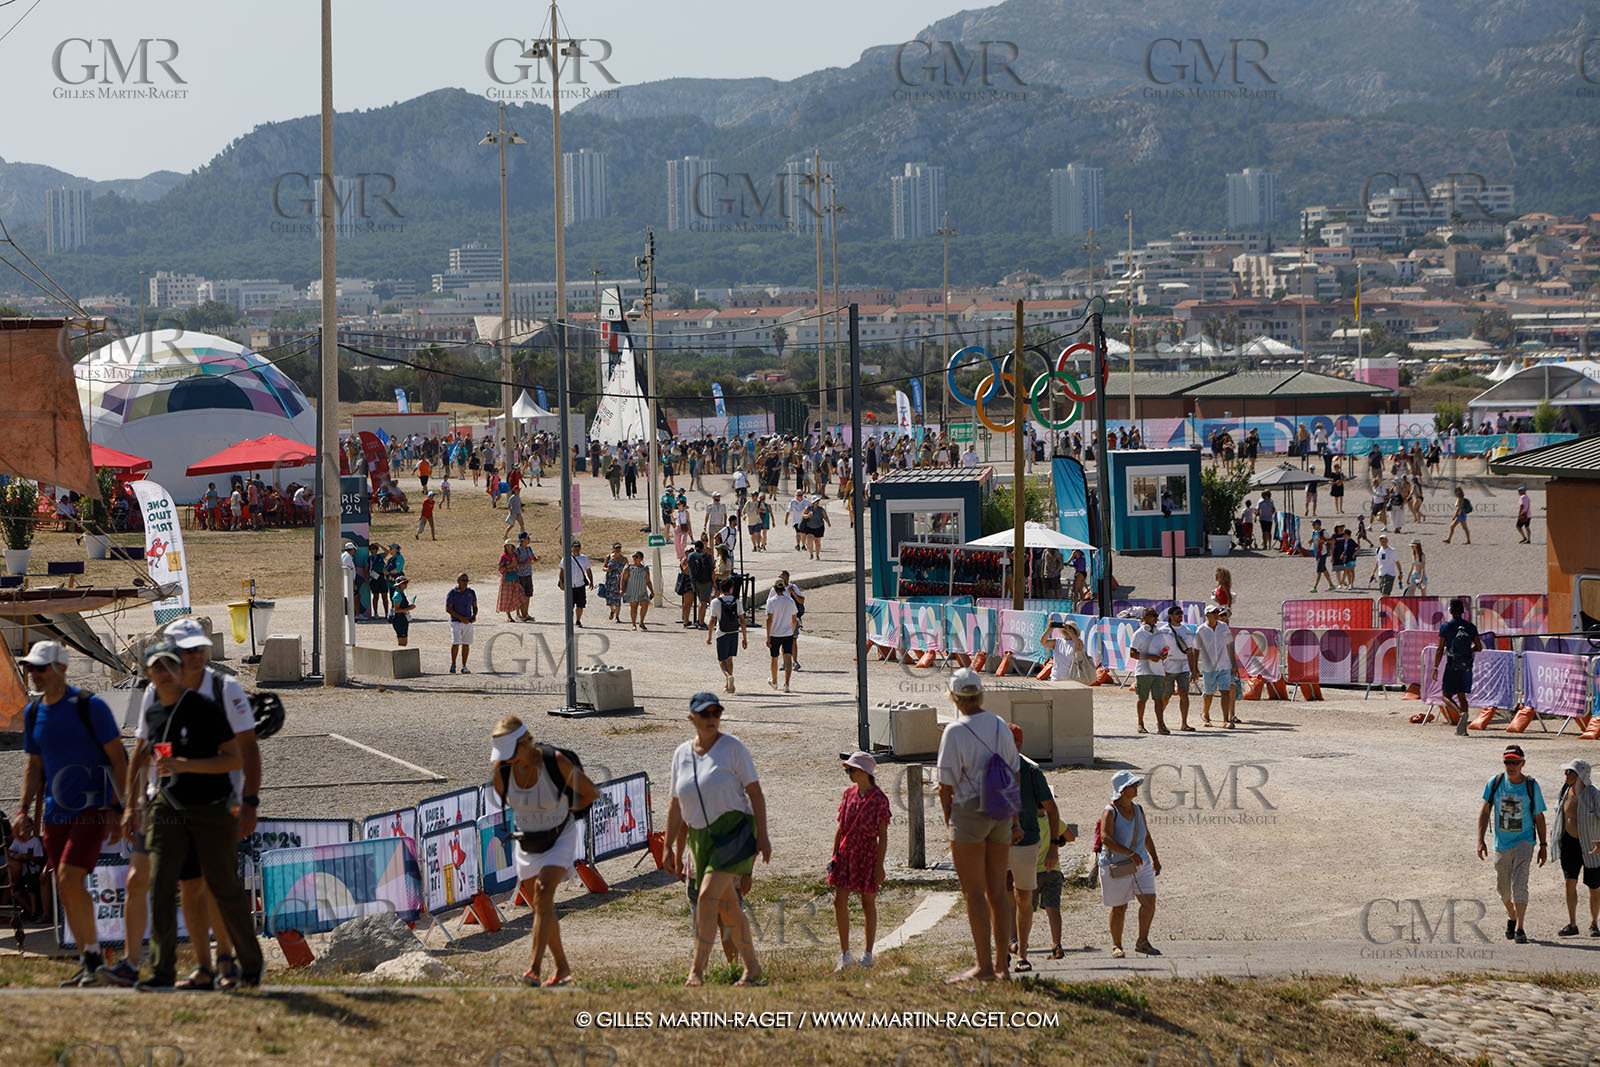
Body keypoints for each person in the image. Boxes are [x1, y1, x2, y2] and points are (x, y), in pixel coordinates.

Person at [131, 639, 261, 990]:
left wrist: (187, 766)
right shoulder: (153, 707)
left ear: (181, 670)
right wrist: (133, 802)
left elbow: (234, 758)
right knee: (161, 884)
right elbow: (142, 753)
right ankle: (162, 971)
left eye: (171, 665)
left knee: (224, 887)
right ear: (147, 674)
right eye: (157, 667)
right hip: (167, 806)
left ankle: (249, 965)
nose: (165, 673)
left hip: (211, 807)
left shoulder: (204, 706)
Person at [12, 641, 129, 987]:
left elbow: (118, 759)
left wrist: (118, 809)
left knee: (66, 878)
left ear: (61, 668)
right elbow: (33, 766)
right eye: (30, 667)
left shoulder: (89, 706)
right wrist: (23, 811)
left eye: (41, 667)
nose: (33, 674)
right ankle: (91, 962)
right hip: (54, 813)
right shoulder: (33, 713)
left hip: (92, 809)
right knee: (66, 885)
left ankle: (93, 960)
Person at [663, 692, 769, 987]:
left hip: (735, 830)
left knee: (707, 896)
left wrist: (763, 838)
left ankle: (696, 972)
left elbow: (756, 794)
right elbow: (675, 804)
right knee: (727, 905)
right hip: (700, 836)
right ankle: (752, 967)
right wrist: (667, 847)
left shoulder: (734, 749)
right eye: (705, 714)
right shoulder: (681, 754)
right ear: (692, 718)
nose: (711, 719)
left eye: (716, 713)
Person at [489, 716, 600, 986]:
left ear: (527, 743)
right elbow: (507, 799)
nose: (509, 760)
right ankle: (562, 968)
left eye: (513, 753)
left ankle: (533, 969)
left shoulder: (557, 761)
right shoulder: (502, 771)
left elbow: (591, 793)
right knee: (542, 906)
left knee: (542, 893)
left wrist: (562, 811)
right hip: (527, 843)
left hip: (560, 836)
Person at [936, 669, 1021, 982]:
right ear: (980, 694)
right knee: (998, 892)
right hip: (1000, 810)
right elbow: (1015, 771)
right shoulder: (1000, 724)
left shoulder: (955, 731)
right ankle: (1002, 966)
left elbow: (946, 783)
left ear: (955, 697)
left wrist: (949, 819)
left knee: (974, 894)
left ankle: (984, 966)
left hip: (969, 811)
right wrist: (1014, 817)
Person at [1477, 744, 1547, 945]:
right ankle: (1512, 916)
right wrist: (1480, 840)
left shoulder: (1531, 786)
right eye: (1508, 762)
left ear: (1523, 763)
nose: (1511, 766)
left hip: (1525, 842)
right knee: (1504, 891)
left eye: (1515, 762)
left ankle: (1520, 928)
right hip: (1502, 844)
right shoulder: (1495, 783)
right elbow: (1484, 812)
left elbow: (1539, 817)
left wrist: (1543, 845)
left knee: (1520, 885)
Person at [828, 751, 891, 971]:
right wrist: (834, 855)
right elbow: (841, 827)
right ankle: (845, 953)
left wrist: (880, 865)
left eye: (851, 770)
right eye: (847, 770)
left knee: (867, 903)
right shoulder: (848, 794)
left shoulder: (879, 799)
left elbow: (882, 835)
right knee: (839, 900)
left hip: (867, 854)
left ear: (864, 772)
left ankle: (868, 953)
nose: (848, 773)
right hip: (846, 853)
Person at [1007, 723, 1062, 974]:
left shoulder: (1031, 772)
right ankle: (1008, 944)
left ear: (1020, 744)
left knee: (1023, 897)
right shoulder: (988, 770)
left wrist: (1053, 846)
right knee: (1003, 896)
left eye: (1014, 742)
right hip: (997, 842)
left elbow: (1051, 808)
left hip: (1026, 841)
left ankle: (1022, 952)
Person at [1099, 769, 1161, 958]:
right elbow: (1105, 838)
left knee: (1149, 901)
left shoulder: (1138, 809)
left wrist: (1155, 858)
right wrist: (1129, 853)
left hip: (1140, 862)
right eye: (1132, 786)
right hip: (1119, 865)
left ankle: (1142, 941)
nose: (1136, 789)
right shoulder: (1110, 811)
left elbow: (1146, 835)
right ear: (1122, 789)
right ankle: (1117, 945)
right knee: (1120, 906)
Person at [1554, 759, 1600, 938]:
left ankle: (1594, 923)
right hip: (1569, 844)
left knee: (1594, 886)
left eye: (1570, 772)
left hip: (1592, 846)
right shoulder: (1564, 791)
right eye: (1566, 771)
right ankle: (1572, 923)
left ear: (1581, 775)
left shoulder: (1595, 795)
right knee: (1569, 882)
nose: (1566, 775)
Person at [1438, 598, 1485, 736]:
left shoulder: (1446, 626)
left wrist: (1435, 667)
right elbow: (1479, 647)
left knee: (1445, 696)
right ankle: (1463, 730)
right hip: (1467, 664)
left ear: (1451, 611)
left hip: (1452, 663)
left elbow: (1440, 648)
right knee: (1462, 696)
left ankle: (1460, 713)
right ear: (1463, 611)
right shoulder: (1470, 626)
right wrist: (1469, 650)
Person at [1195, 602, 1238, 728]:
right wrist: (1195, 667)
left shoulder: (1224, 627)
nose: (1216, 614)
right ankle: (1206, 713)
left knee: (1225, 691)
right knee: (1209, 693)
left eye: (1216, 612)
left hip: (1224, 665)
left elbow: (1230, 644)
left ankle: (1225, 720)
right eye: (1213, 612)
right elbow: (1196, 649)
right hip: (1209, 667)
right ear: (1207, 615)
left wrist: (1233, 663)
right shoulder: (1201, 630)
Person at [1130, 607, 1171, 735]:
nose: (1154, 617)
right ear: (1145, 618)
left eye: (1155, 615)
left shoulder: (1160, 633)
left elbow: (1164, 649)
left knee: (1159, 699)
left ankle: (1160, 725)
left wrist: (1163, 657)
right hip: (1144, 671)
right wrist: (1149, 657)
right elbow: (1132, 653)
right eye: (1151, 615)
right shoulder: (1139, 633)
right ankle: (1140, 724)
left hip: (1158, 671)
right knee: (1142, 698)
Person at [1159, 604, 1197, 731]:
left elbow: (1190, 651)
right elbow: (1159, 651)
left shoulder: (1186, 630)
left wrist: (1193, 670)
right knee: (1166, 695)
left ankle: (1184, 723)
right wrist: (1161, 669)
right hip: (1168, 667)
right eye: (1177, 613)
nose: (1180, 615)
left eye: (1181, 613)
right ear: (1170, 616)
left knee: (1184, 694)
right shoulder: (1163, 630)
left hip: (1183, 666)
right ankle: (1160, 721)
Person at [707, 577, 748, 694]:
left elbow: (712, 621)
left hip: (722, 633)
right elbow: (742, 620)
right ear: (731, 589)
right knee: (730, 659)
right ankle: (729, 686)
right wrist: (745, 638)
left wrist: (709, 637)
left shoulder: (715, 602)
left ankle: (728, 676)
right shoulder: (737, 601)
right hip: (734, 632)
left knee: (721, 660)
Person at [764, 577, 799, 692]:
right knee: (787, 658)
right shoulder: (790, 601)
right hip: (787, 633)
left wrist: (768, 636)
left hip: (775, 633)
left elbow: (769, 619)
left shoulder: (771, 601)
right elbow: (794, 618)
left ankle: (774, 681)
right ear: (784, 588)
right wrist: (792, 630)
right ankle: (786, 684)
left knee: (774, 658)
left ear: (774, 588)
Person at [1040, 616, 1094, 684]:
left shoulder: (1078, 642)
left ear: (1074, 631)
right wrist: (1049, 629)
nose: (1066, 630)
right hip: (1056, 677)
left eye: (1070, 628)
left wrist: (1071, 632)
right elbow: (1043, 642)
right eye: (1065, 628)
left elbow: (1079, 646)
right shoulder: (1058, 641)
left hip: (1072, 678)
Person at [446, 573, 478, 674]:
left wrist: (474, 616)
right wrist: (461, 618)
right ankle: (453, 664)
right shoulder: (452, 593)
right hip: (456, 622)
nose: (465, 583)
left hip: (467, 621)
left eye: (466, 580)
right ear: (458, 581)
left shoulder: (471, 592)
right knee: (455, 642)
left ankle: (464, 666)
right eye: (463, 580)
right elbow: (448, 609)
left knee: (466, 643)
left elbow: (475, 606)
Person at [558, 541, 594, 627]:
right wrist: (561, 582)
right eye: (575, 547)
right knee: (570, 605)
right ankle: (569, 620)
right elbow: (562, 571)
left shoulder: (584, 558)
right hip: (570, 586)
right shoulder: (566, 558)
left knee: (580, 604)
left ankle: (578, 620)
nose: (576, 549)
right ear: (571, 548)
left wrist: (591, 581)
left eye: (578, 547)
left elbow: (588, 570)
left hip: (580, 585)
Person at [684, 540, 715, 630]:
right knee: (703, 602)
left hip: (694, 581)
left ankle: (698, 620)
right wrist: (714, 583)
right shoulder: (707, 556)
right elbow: (712, 570)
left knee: (699, 601)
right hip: (705, 581)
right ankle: (701, 622)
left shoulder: (690, 556)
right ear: (702, 547)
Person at [622, 551, 654, 629]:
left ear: (641, 558)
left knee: (645, 604)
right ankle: (633, 624)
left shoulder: (645, 569)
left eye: (637, 556)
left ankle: (641, 622)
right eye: (634, 556)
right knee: (634, 607)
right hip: (632, 590)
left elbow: (648, 581)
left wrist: (652, 591)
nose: (634, 558)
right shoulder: (628, 568)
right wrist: (621, 589)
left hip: (642, 590)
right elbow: (623, 579)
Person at [498, 539, 527, 623]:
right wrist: (509, 566)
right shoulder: (503, 557)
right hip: (507, 579)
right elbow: (500, 568)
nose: (508, 547)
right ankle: (509, 616)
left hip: (515, 578)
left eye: (510, 545)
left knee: (519, 594)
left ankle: (521, 614)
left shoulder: (514, 555)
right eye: (507, 546)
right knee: (508, 597)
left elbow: (517, 564)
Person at [601, 543, 628, 624]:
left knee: (617, 599)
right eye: (616, 548)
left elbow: (627, 569)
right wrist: (607, 570)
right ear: (613, 549)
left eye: (619, 548)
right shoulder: (609, 557)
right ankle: (612, 610)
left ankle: (617, 617)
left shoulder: (624, 559)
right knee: (609, 598)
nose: (618, 550)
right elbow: (603, 567)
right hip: (610, 581)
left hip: (619, 582)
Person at [515, 533, 537, 622]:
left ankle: (526, 614)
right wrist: (525, 563)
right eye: (528, 538)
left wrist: (537, 560)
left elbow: (533, 559)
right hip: (520, 575)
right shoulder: (517, 550)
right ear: (523, 540)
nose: (529, 539)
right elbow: (515, 563)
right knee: (520, 596)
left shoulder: (529, 548)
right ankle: (518, 614)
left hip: (528, 574)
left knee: (528, 595)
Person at [390, 575, 414, 647]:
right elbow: (396, 610)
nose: (406, 584)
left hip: (402, 618)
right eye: (404, 583)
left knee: (404, 642)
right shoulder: (397, 595)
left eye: (406, 582)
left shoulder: (400, 593)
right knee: (402, 643)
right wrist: (408, 608)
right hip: (399, 620)